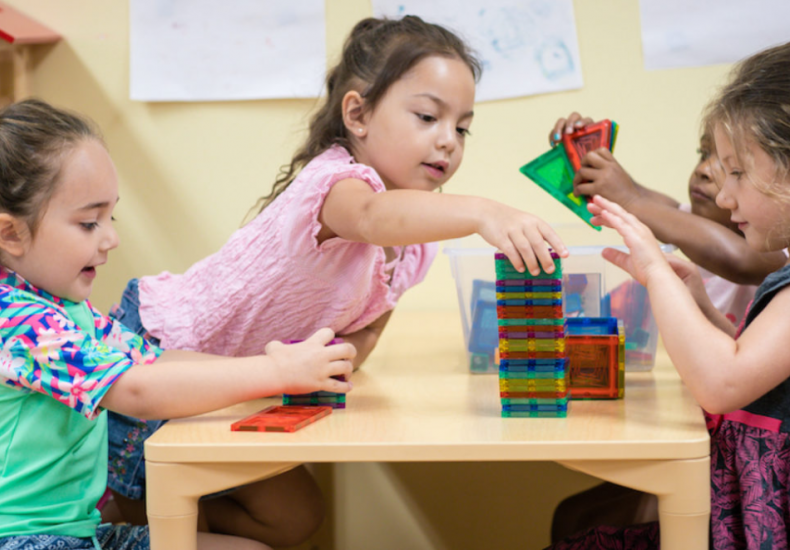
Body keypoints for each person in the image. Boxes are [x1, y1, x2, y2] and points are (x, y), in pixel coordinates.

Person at [107, 14, 569, 526]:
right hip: (158, 353)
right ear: (358, 114)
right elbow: (373, 219)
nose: (448, 141)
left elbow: (364, 331)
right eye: (427, 117)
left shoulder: (414, 247)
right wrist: (486, 212)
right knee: (140, 510)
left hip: (234, 388)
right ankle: (117, 516)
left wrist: (332, 363)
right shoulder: (334, 184)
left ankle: (163, 526)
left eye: (461, 127)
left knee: (297, 519)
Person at [0, 99, 356, 550]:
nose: (111, 238)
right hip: (4, 542)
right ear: (10, 234)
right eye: (88, 222)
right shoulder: (11, 320)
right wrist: (274, 373)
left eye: (110, 217)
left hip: (72, 534)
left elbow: (155, 360)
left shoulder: (61, 310)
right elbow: (135, 391)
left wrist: (272, 367)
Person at [549, 40, 790, 550]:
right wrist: (698, 301)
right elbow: (757, 371)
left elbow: (723, 384)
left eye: (739, 172)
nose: (724, 194)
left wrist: (658, 275)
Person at [549, 114, 786, 326]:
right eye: (703, 154)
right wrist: (592, 162)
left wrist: (629, 199)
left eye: (733, 168)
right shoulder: (686, 220)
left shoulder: (777, 244)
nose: (703, 169)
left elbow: (738, 258)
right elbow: (644, 200)